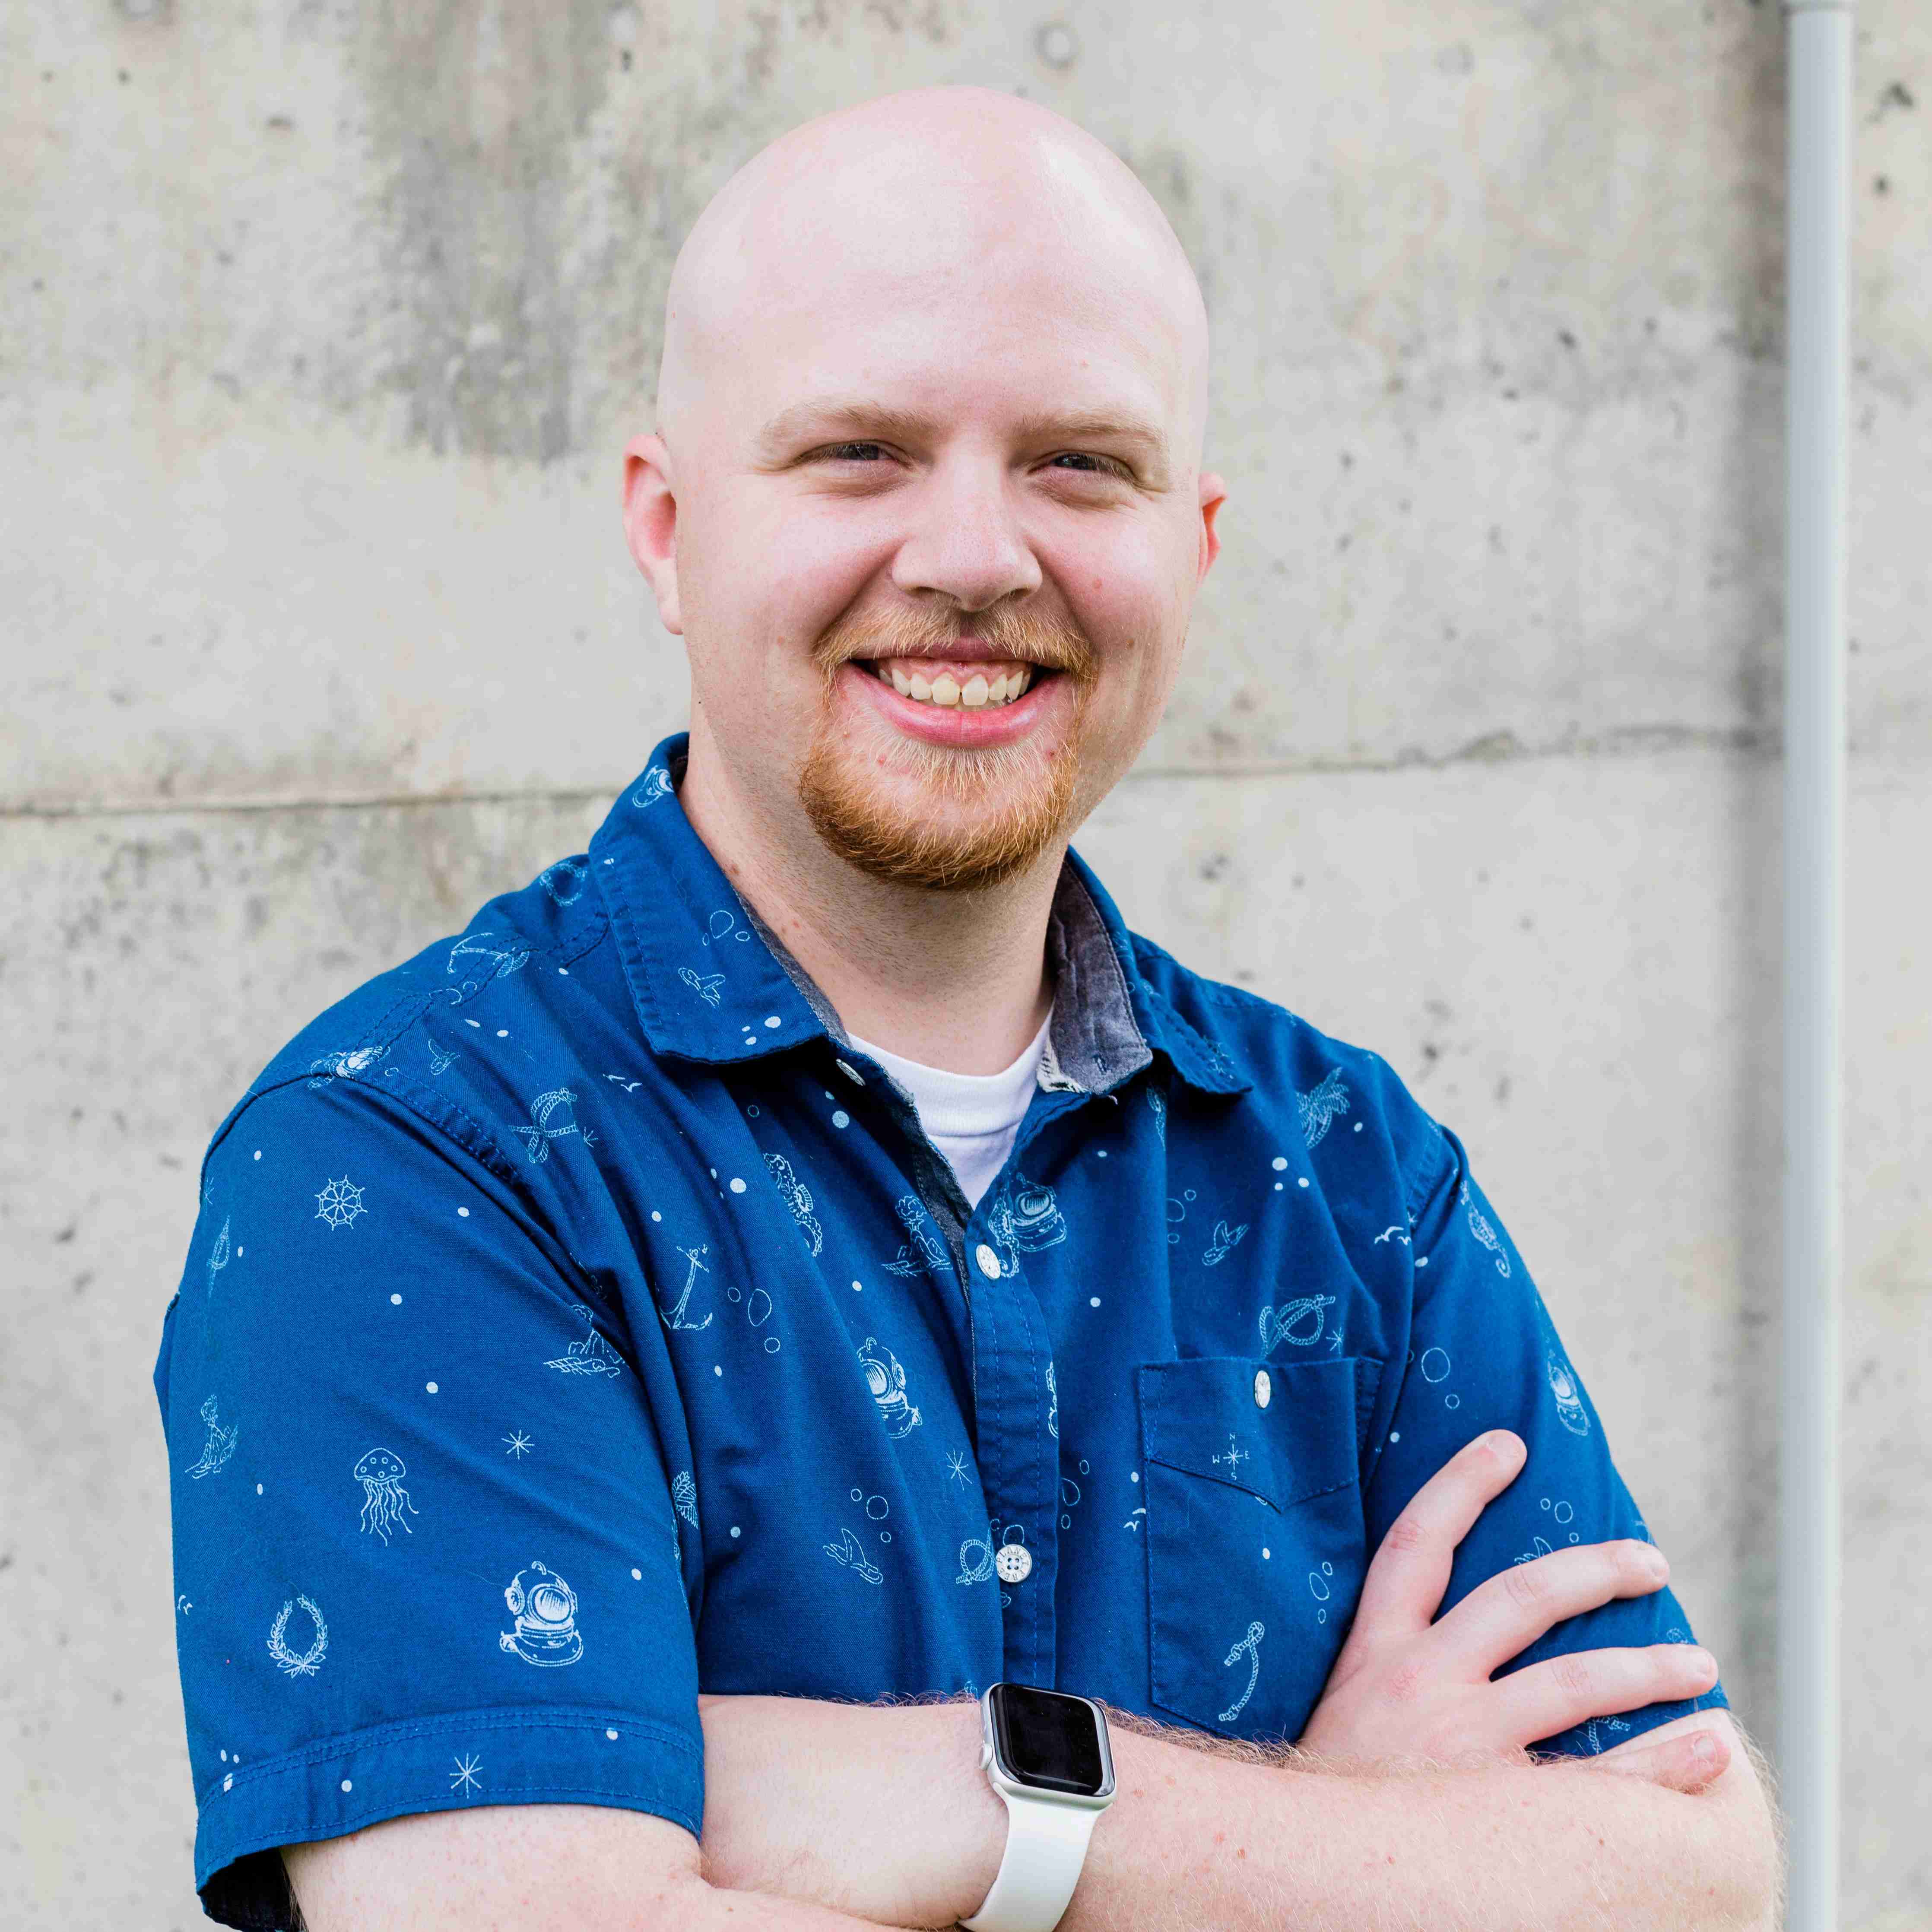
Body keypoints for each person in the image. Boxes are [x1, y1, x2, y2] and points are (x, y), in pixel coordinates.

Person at [155, 85, 1779, 1932]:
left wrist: (1019, 1796)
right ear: (667, 528)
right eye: (859, 453)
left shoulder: (1346, 1174)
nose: (978, 557)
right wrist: (1344, 1844)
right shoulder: (415, 1160)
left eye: (1084, 462)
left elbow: (1697, 1875)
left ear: (1198, 542)